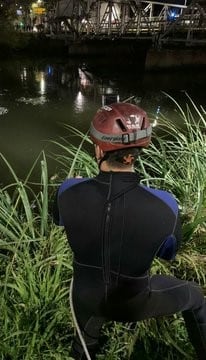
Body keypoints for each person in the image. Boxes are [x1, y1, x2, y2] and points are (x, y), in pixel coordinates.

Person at [53, 102, 206, 360]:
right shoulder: (164, 205)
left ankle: (83, 350)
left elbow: (59, 219)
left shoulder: (67, 191)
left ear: (99, 148)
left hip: (85, 296)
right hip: (133, 303)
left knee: (85, 334)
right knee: (195, 296)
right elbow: (168, 252)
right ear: (138, 151)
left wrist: (76, 188)